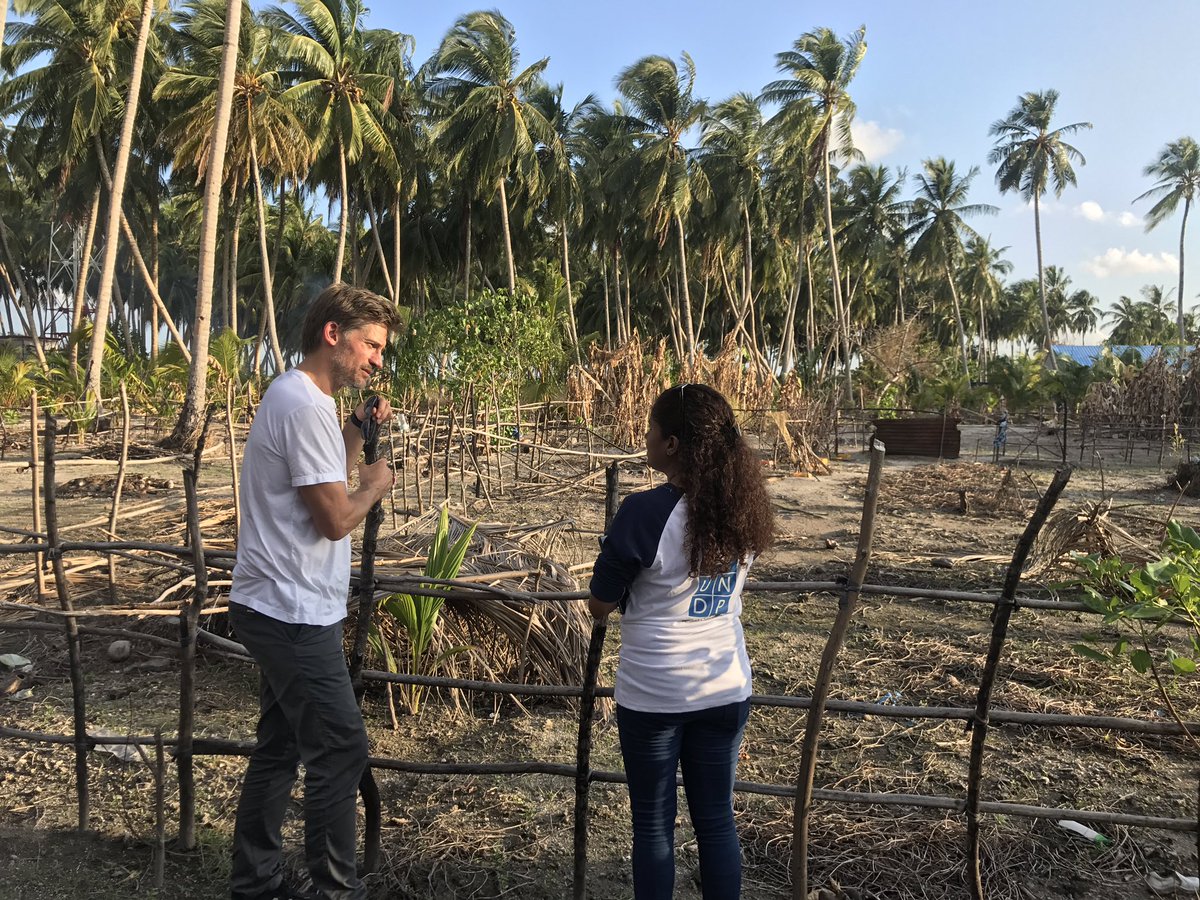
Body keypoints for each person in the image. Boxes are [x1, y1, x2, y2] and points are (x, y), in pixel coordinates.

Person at [228, 284, 401, 900]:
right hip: (290, 610)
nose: (378, 359)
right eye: (371, 345)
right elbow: (333, 518)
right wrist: (376, 484)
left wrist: (355, 432)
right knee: (340, 749)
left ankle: (256, 880)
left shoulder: (307, 401)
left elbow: (320, 480)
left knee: (279, 745)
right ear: (334, 334)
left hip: (286, 604)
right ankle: (333, 888)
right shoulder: (301, 405)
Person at [589, 383, 775, 900]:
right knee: (717, 821)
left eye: (651, 429)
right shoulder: (742, 508)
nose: (645, 437)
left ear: (671, 444)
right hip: (724, 686)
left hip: (654, 693)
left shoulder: (644, 513)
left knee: (653, 824)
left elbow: (600, 602)